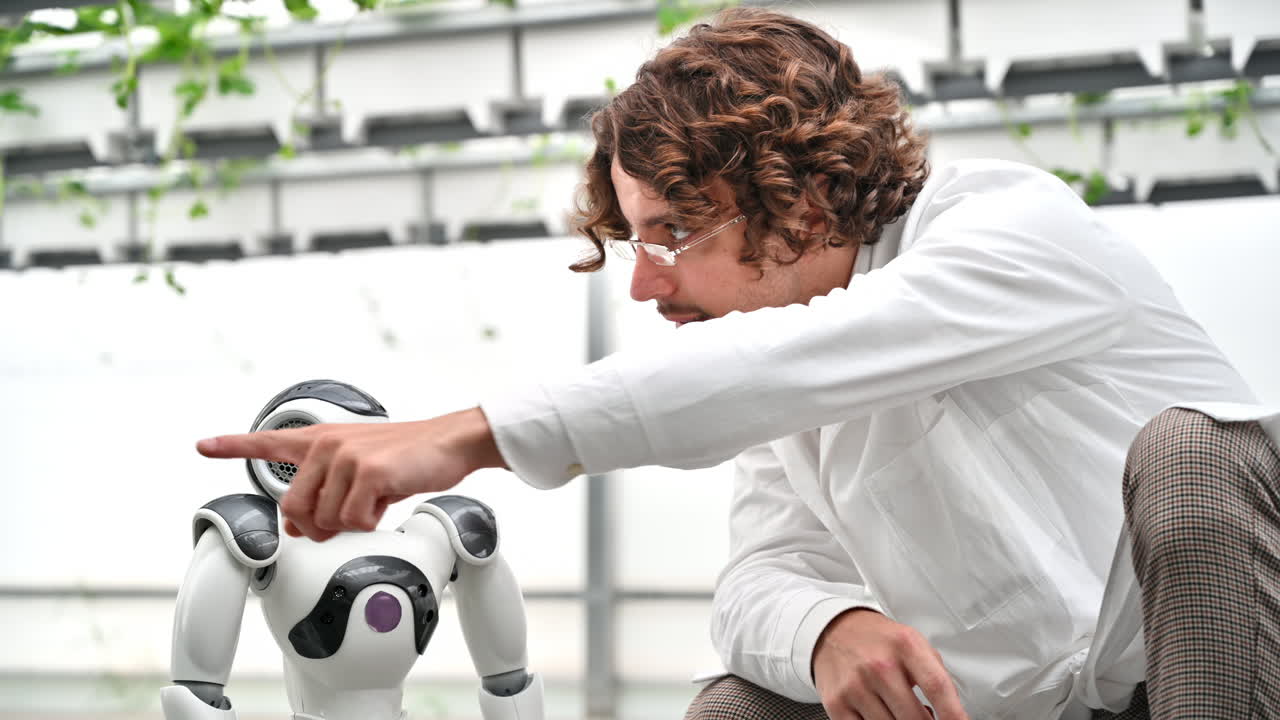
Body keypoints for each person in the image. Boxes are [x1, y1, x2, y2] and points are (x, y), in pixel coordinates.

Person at [195, 9, 1280, 720]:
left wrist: (464, 435)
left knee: (1191, 456)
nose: (643, 283)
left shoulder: (1005, 226)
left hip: (1212, 674)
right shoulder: (781, 379)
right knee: (737, 705)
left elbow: (820, 357)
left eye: (671, 234)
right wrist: (824, 630)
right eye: (634, 241)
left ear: (802, 196)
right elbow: (755, 580)